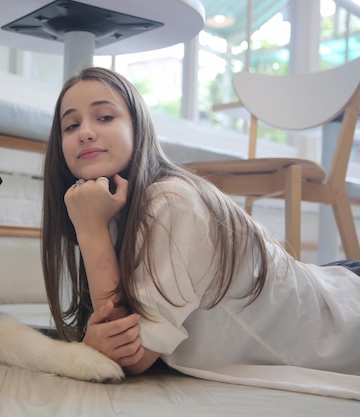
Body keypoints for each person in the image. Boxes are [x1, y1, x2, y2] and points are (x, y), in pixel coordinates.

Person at [40, 66, 360, 399]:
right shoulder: (110, 207)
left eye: (105, 117)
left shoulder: (171, 201)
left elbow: (130, 355)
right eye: (71, 125)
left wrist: (91, 232)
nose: (85, 133)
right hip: (327, 283)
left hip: (346, 311)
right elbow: (115, 339)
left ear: (139, 129)